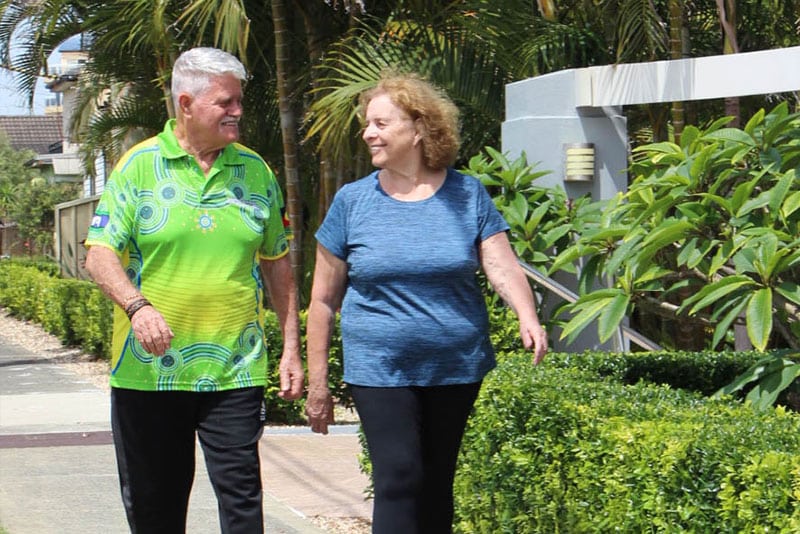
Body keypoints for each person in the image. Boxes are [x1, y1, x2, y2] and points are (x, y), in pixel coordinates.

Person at [304, 72, 548, 533]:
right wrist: (319, 383)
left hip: (454, 363)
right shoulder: (352, 202)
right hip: (379, 365)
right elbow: (322, 300)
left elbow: (500, 264)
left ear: (418, 129)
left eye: (380, 123)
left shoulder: (466, 193)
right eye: (367, 124)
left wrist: (527, 315)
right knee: (399, 476)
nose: (368, 133)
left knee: (436, 481)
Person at [84, 47, 303, 534]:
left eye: (239, 100)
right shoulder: (136, 168)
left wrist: (291, 348)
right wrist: (137, 306)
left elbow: (277, 263)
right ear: (186, 104)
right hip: (150, 375)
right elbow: (98, 254)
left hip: (235, 369)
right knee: (154, 509)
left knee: (243, 504)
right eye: (226, 102)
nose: (238, 111)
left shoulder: (256, 172)